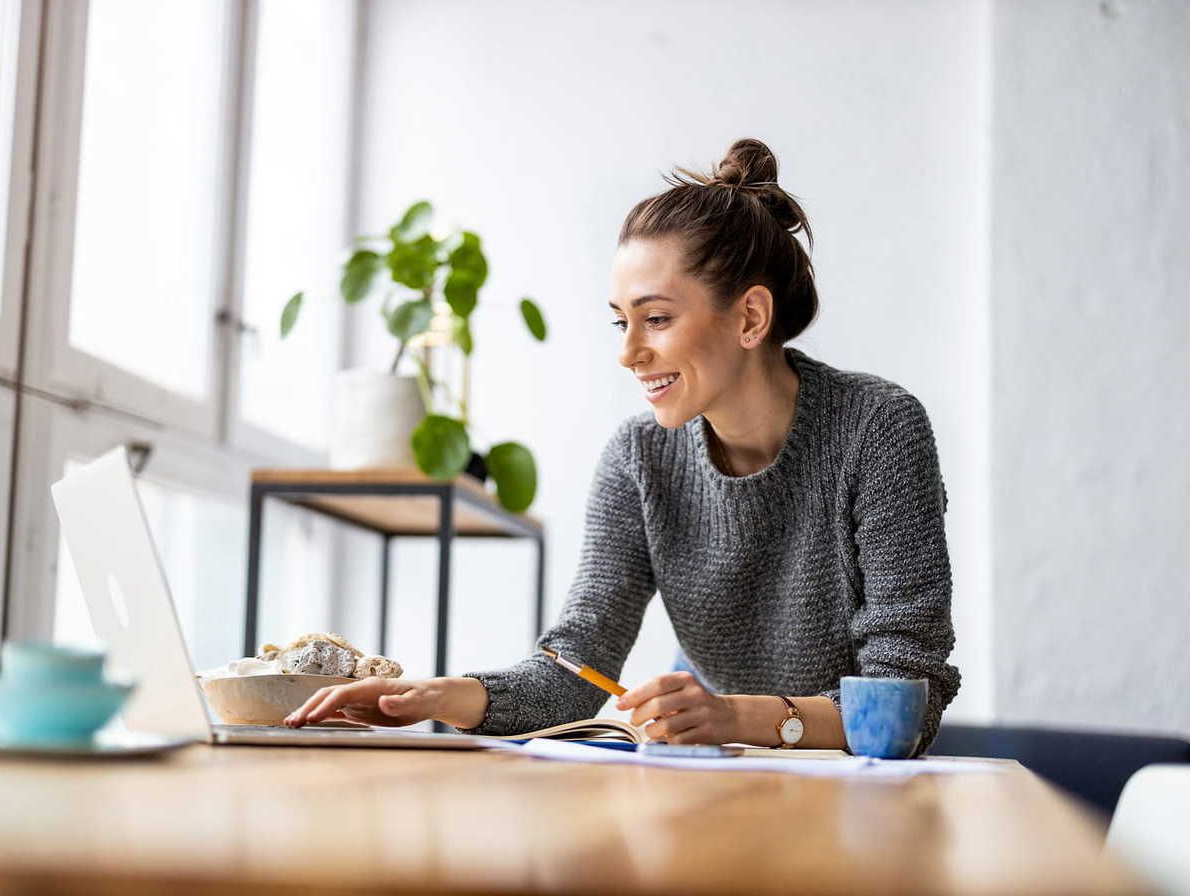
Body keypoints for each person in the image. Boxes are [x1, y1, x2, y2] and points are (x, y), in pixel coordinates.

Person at [285, 138, 961, 753]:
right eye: (620, 323)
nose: (629, 354)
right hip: (717, 780)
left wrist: (733, 717)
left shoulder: (879, 429)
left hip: (861, 799)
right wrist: (440, 697)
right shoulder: (639, 459)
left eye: (656, 319)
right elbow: (576, 669)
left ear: (750, 317)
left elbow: (906, 700)